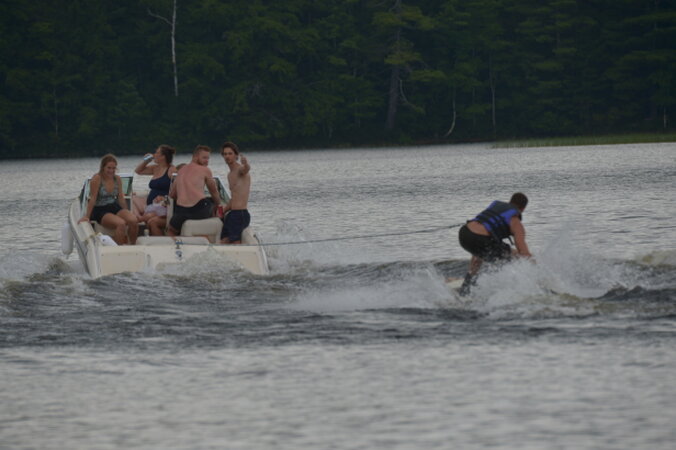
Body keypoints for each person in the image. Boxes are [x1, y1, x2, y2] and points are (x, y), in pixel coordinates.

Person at [457, 192, 532, 295]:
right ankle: (515, 286)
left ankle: (466, 287)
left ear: (510, 202)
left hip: (464, 233)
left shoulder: (496, 207)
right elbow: (524, 253)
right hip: (480, 239)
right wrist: (537, 266)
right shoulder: (515, 221)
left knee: (481, 251)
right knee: (515, 255)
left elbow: (479, 238)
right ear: (523, 209)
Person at [78, 154, 138, 245]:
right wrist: (87, 217)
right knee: (121, 224)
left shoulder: (117, 179)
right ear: (103, 167)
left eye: (113, 168)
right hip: (100, 209)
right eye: (109, 168)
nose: (111, 171)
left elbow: (121, 198)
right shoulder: (97, 178)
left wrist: (126, 212)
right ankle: (119, 249)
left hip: (114, 206)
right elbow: (93, 199)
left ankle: (132, 245)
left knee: (133, 220)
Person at [167, 145, 221, 236]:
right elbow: (214, 192)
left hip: (181, 210)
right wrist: (218, 205)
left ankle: (174, 244)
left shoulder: (181, 171)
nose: (207, 161)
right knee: (213, 204)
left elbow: (172, 195)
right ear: (195, 156)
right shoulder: (205, 170)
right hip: (199, 209)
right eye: (204, 158)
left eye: (208, 158)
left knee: (171, 230)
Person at [132, 145, 177, 236]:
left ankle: (139, 219)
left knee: (148, 219)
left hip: (164, 205)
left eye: (157, 153)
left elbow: (177, 189)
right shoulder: (155, 168)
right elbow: (138, 171)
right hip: (152, 205)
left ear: (163, 156)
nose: (154, 154)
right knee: (134, 199)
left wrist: (164, 198)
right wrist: (146, 161)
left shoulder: (171, 170)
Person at [219, 141, 251, 244]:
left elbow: (246, 169)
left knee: (235, 243)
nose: (227, 156)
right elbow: (234, 198)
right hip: (232, 214)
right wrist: (223, 211)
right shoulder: (230, 175)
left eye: (230, 153)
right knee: (223, 241)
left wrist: (246, 163)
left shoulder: (240, 170)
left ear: (236, 155)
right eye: (225, 154)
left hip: (240, 214)